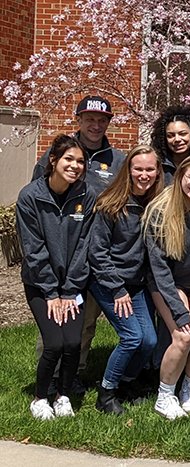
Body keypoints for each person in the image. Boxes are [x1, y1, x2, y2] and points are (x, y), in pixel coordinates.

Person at [31, 95, 126, 394]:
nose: (95, 125)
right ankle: (48, 375)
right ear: (79, 120)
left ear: (108, 122)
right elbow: (37, 198)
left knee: (84, 321)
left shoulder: (118, 160)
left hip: (97, 254)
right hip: (60, 254)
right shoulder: (58, 153)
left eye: (101, 120)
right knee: (55, 318)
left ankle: (73, 374)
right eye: (89, 119)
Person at [17, 134, 96, 419]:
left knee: (73, 342)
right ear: (53, 160)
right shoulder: (30, 196)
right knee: (54, 343)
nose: (75, 166)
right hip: (40, 284)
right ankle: (40, 398)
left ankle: (63, 395)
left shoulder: (86, 195)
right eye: (69, 159)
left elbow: (85, 245)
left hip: (72, 283)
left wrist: (69, 290)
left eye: (80, 161)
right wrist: (52, 293)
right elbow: (33, 249)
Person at [142, 154, 190, 420]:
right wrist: (179, 310)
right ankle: (165, 396)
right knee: (184, 335)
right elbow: (159, 268)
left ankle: (188, 387)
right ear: (179, 177)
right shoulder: (159, 211)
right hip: (168, 282)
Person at [88, 145, 164, 414]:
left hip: (138, 284)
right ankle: (106, 392)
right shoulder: (110, 204)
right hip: (110, 282)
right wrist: (116, 289)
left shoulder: (157, 205)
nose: (144, 174)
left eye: (149, 169)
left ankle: (127, 383)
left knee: (150, 341)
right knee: (132, 338)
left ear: (157, 172)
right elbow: (97, 253)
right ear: (128, 170)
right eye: (138, 169)